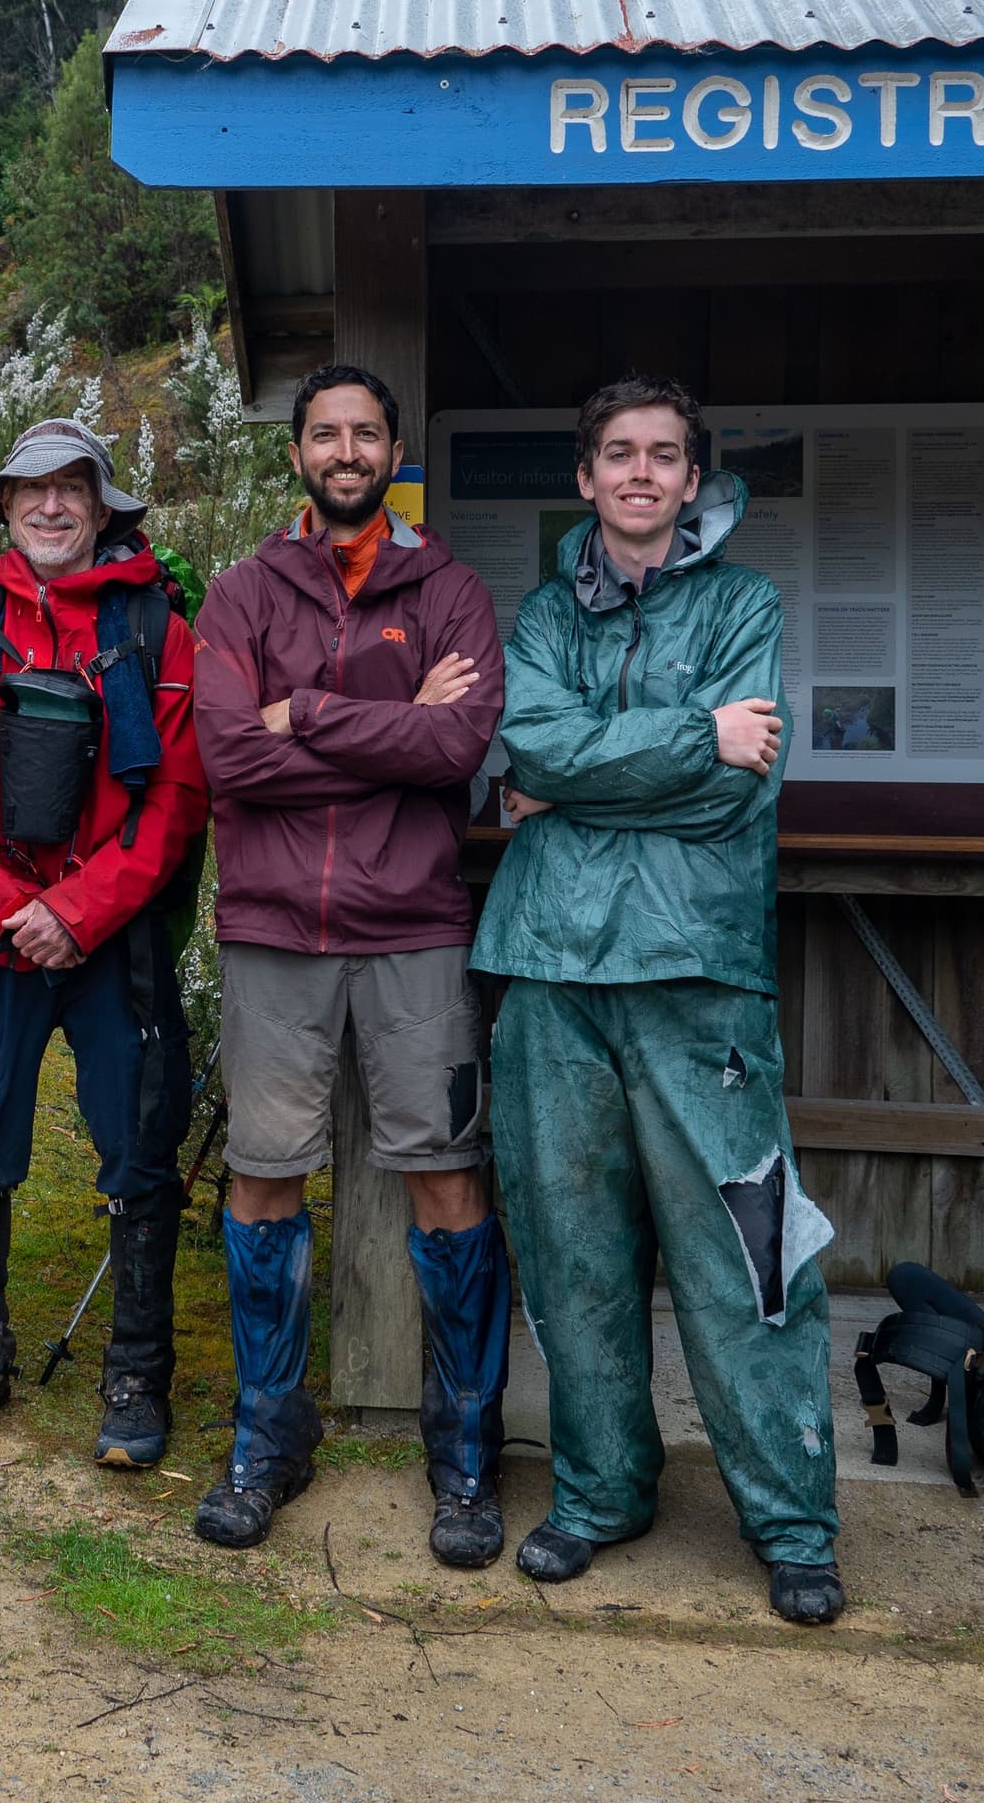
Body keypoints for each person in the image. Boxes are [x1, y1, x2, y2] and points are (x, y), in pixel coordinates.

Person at [477, 375, 844, 1626]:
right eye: (619, 453)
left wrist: (581, 776)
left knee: (745, 1249)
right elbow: (531, 744)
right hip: (549, 967)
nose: (640, 473)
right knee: (573, 1248)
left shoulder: (746, 603)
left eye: (665, 455)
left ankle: (794, 1519)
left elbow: (735, 792)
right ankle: (597, 1490)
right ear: (584, 477)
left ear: (695, 480)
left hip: (698, 969)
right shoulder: (538, 616)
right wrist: (692, 732)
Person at [187, 363, 510, 1563]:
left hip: (414, 921)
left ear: (393, 451)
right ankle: (269, 1433)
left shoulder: (452, 589)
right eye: (324, 432)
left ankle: (463, 1449)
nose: (344, 449)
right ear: (296, 456)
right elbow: (229, 759)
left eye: (365, 432)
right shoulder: (241, 591)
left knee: (445, 1173)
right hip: (274, 925)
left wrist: (305, 712)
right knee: (266, 1174)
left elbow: (456, 750)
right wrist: (385, 719)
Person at [0, 421, 206, 1464]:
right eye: (31, 490)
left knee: (140, 1145)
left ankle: (136, 1375)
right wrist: (12, 905)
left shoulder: (162, 632)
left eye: (73, 488)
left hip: (112, 941)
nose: (51, 507)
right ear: (6, 506)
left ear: (104, 505)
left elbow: (174, 800)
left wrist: (80, 910)